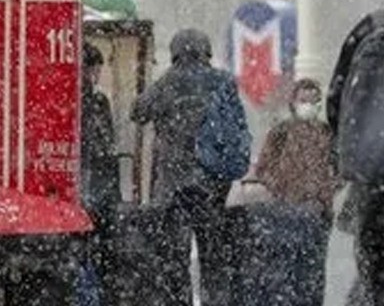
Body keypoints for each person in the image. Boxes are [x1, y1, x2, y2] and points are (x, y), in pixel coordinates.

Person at [130, 28, 239, 306]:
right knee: (213, 257)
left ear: (176, 52)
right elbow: (236, 130)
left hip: (174, 186)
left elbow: (137, 111)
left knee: (174, 258)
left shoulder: (168, 82)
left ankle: (180, 301)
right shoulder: (223, 81)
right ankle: (216, 301)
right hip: (212, 185)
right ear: (206, 51)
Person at [253, 78, 337, 305]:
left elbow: (339, 168)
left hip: (318, 214)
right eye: (303, 100)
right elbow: (263, 168)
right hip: (287, 211)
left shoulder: (327, 133)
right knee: (287, 271)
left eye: (313, 100)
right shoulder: (281, 131)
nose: (308, 105)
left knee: (314, 273)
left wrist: (325, 191)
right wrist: (280, 186)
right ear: (294, 102)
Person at [327, 10, 384, 304]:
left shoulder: (368, 28)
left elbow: (335, 100)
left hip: (371, 179)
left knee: (373, 269)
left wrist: (348, 153)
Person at [79, 43, 120, 305]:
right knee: (101, 252)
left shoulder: (67, 97)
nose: (96, 76)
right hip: (95, 189)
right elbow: (105, 145)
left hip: (83, 189)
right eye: (95, 69)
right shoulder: (95, 102)